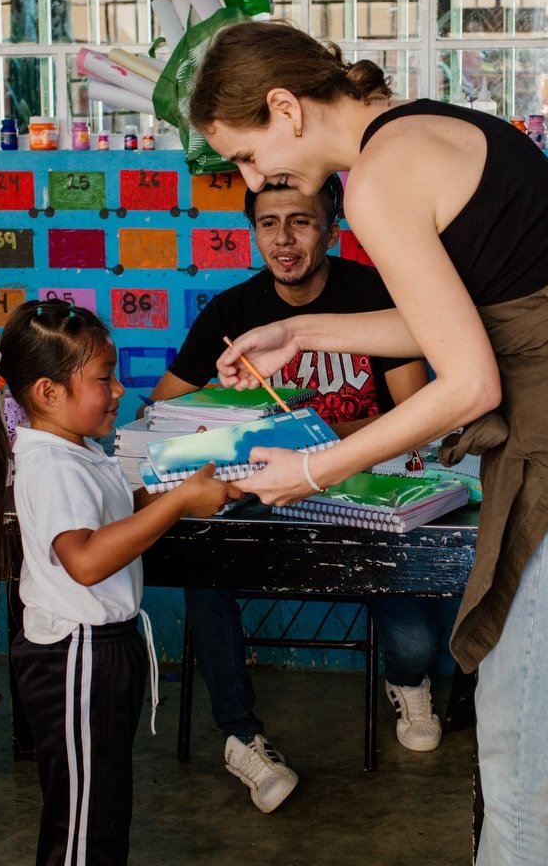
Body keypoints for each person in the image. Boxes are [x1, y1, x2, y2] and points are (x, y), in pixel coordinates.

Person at [189, 21, 548, 865]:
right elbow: (467, 319)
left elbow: (467, 383)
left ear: (284, 107)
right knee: (511, 707)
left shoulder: (378, 181)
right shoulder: (422, 129)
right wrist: (305, 328)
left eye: (246, 155)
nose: (251, 179)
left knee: (523, 727)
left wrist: (313, 469)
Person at [145, 175, 443, 813]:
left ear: (332, 230)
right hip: (262, 494)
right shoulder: (230, 312)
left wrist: (325, 443)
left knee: (418, 642)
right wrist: (231, 432)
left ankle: (408, 680)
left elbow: (420, 411)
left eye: (302, 222)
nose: (283, 239)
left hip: (361, 487)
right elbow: (162, 411)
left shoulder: (372, 297)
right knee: (204, 557)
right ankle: (240, 737)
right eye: (268, 223)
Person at [0, 301, 239, 866]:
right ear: (48, 393)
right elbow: (84, 560)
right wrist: (180, 501)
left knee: (97, 810)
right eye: (104, 379)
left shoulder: (76, 450)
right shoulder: (54, 465)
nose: (120, 390)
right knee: (84, 824)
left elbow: (115, 517)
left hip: (99, 649)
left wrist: (186, 479)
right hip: (76, 656)